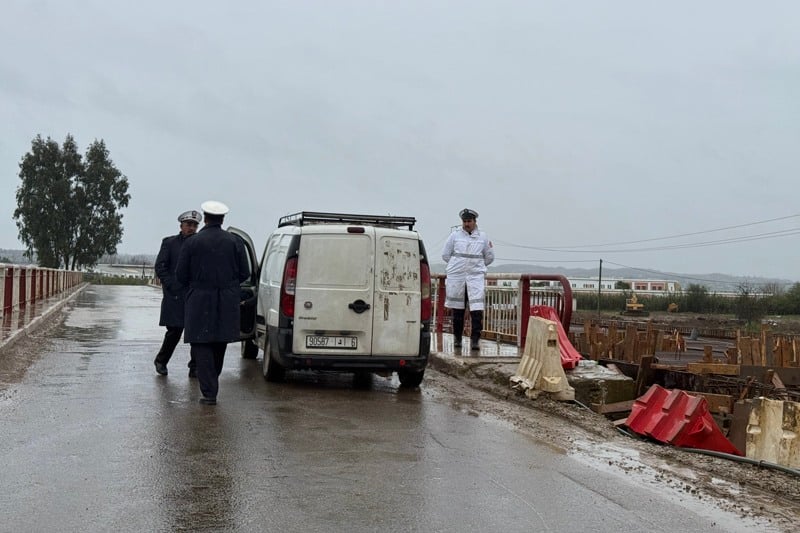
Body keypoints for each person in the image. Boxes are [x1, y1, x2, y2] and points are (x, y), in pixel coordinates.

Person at [175, 200, 250, 405]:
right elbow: (245, 272)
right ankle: (211, 382)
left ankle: (209, 391)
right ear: (222, 219)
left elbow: (180, 274)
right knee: (219, 341)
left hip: (199, 299)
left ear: (205, 219)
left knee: (201, 343)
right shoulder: (235, 242)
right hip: (227, 299)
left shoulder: (192, 243)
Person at [153, 209, 202, 376]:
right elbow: (160, 266)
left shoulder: (200, 244)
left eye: (194, 225)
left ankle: (194, 367)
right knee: (174, 332)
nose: (191, 228)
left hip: (194, 295)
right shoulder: (170, 243)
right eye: (188, 224)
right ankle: (161, 361)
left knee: (196, 334)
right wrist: (172, 285)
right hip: (175, 297)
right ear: (181, 226)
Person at [441, 208, 494, 351]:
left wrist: (476, 267)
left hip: (475, 278)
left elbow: (489, 257)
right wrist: (458, 266)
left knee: (476, 311)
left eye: (469, 221)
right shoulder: (454, 236)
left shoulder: (483, 237)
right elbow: (445, 255)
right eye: (464, 221)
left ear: (474, 221)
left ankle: (475, 340)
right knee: (458, 311)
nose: (466, 224)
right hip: (458, 278)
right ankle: (457, 338)